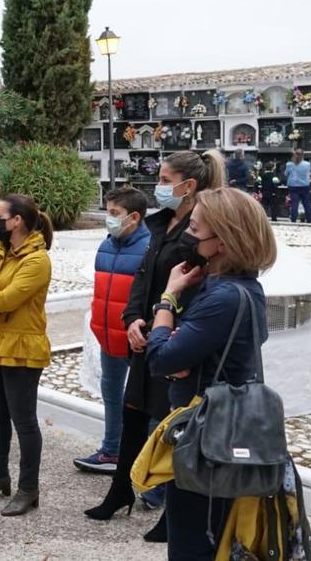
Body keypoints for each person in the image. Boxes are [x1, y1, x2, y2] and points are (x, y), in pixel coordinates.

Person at [84, 149, 226, 545]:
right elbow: (142, 281)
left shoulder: (200, 232)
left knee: (170, 427)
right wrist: (132, 320)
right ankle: (120, 492)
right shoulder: (159, 223)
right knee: (132, 417)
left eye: (165, 181)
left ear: (188, 185)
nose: (158, 188)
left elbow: (196, 289)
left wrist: (168, 326)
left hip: (174, 342)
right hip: (145, 336)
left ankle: (169, 510)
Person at [146, 187, 276, 560]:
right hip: (224, 431)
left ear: (223, 241)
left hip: (206, 441)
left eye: (196, 229)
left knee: (194, 544)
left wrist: (168, 298)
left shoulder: (222, 297)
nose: (188, 235)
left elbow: (160, 358)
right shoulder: (243, 289)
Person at [0, 194, 53, 516]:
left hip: (21, 353)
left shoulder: (36, 260)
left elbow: (5, 301)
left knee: (24, 422)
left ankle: (29, 488)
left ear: (17, 221)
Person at [73, 187, 151, 474]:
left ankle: (146, 461)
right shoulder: (107, 245)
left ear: (134, 217)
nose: (109, 219)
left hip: (136, 338)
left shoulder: (149, 248)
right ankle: (111, 450)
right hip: (108, 336)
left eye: (114, 214)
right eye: (108, 212)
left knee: (144, 400)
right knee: (111, 391)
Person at [285, 148, 311, 223]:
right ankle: (309, 219)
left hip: (293, 185)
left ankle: (293, 219)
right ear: (303, 155)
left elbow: (286, 174)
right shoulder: (307, 164)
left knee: (294, 203)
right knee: (306, 203)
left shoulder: (289, 164)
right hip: (305, 185)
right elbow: (309, 173)